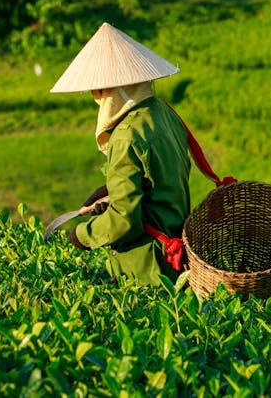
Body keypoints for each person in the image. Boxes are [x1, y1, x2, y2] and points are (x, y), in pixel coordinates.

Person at [50, 23, 191, 285]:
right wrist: (112, 189)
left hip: (145, 267)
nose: (96, 97)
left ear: (115, 89)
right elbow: (159, 179)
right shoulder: (164, 113)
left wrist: (82, 235)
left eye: (99, 90)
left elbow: (126, 221)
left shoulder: (126, 135)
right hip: (176, 253)